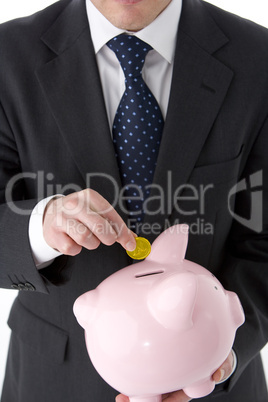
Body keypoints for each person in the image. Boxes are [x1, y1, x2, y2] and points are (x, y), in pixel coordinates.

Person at [0, 0, 267, 401]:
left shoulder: (257, 58)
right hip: (56, 381)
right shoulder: (7, 58)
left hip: (213, 385)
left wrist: (220, 357)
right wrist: (40, 228)